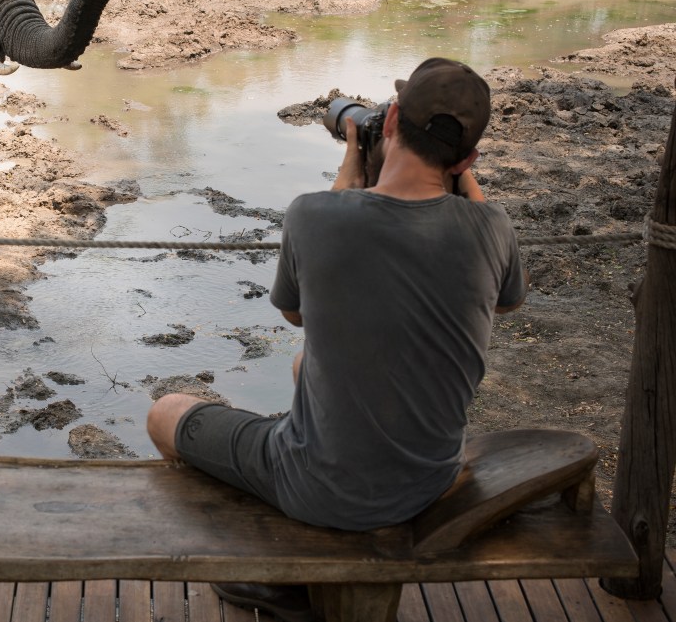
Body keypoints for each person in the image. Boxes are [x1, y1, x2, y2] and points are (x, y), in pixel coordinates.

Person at [146, 58, 528, 622]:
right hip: (430, 478)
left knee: (166, 412)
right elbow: (508, 299)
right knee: (307, 367)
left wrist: (350, 164)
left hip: (319, 487)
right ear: (468, 157)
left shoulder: (313, 215)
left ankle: (277, 575)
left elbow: (297, 312)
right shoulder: (492, 226)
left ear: (392, 118)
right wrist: (462, 174)